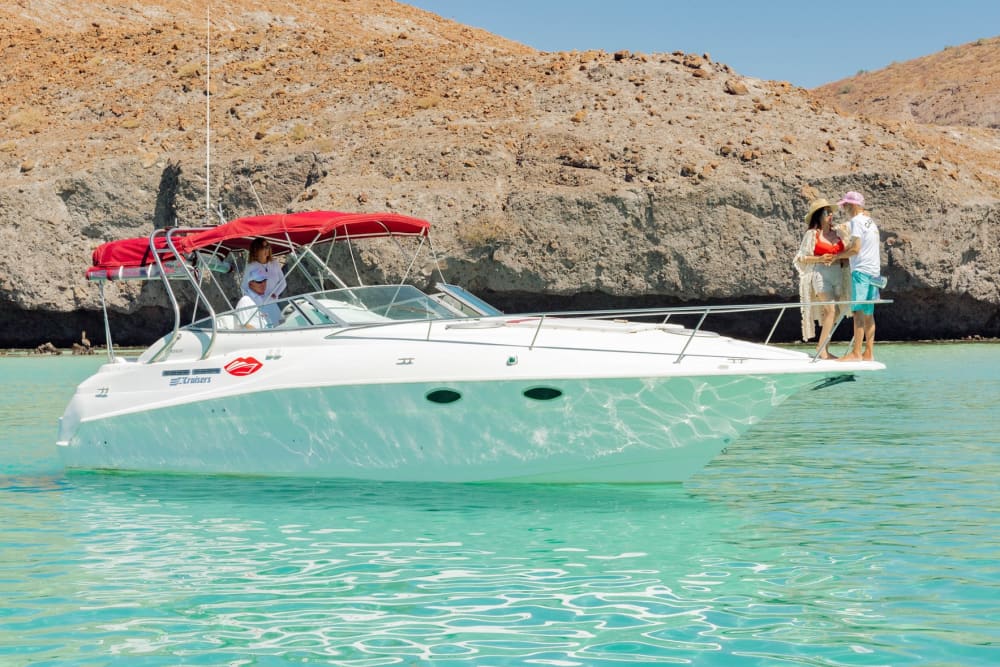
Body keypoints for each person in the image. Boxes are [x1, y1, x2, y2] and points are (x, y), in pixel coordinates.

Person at [793, 198, 851, 359]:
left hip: (838, 274)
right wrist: (820, 258)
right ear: (818, 215)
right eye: (826, 212)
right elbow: (801, 257)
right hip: (820, 274)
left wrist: (842, 257)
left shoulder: (839, 233)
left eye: (831, 212)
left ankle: (825, 346)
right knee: (830, 310)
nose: (830, 215)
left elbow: (847, 252)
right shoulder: (812, 234)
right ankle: (821, 348)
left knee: (836, 313)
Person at [830, 191, 884, 361]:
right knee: (869, 313)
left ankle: (855, 353)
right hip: (875, 272)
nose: (844, 208)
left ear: (853, 205)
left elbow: (855, 249)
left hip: (861, 271)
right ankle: (869, 353)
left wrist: (835, 256)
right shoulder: (870, 222)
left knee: (858, 312)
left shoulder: (856, 221)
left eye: (845, 205)